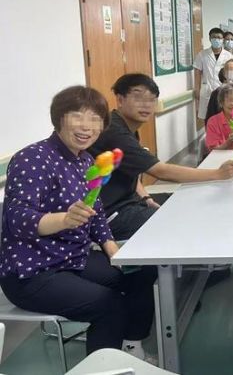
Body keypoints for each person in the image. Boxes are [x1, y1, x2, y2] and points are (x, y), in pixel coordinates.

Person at [0, 86, 156, 360]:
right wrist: (63, 219)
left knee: (140, 273)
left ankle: (132, 348)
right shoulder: (32, 158)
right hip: (32, 272)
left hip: (73, 259)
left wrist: (112, 249)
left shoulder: (85, 161)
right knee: (109, 305)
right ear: (59, 118)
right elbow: (18, 219)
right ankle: (105, 369)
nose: (87, 126)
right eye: (77, 116)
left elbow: (95, 211)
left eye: (95, 119)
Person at [89, 74, 233, 241]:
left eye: (152, 99)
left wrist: (145, 197)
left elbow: (131, 169)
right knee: (180, 220)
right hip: (110, 215)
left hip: (130, 201)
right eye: (138, 98)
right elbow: (162, 171)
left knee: (190, 199)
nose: (146, 105)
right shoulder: (115, 132)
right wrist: (217, 174)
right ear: (120, 99)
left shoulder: (125, 126)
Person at [193, 27, 232, 125]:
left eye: (219, 37)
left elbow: (231, 74)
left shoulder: (228, 56)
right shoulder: (202, 54)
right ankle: (209, 134)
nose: (216, 40)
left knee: (224, 118)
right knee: (208, 118)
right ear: (210, 39)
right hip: (207, 90)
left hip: (223, 90)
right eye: (214, 37)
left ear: (223, 40)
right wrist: (197, 89)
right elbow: (197, 72)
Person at [205, 83, 233, 152]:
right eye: (229, 100)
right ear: (221, 103)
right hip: (220, 158)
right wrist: (228, 142)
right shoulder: (213, 122)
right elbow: (213, 151)